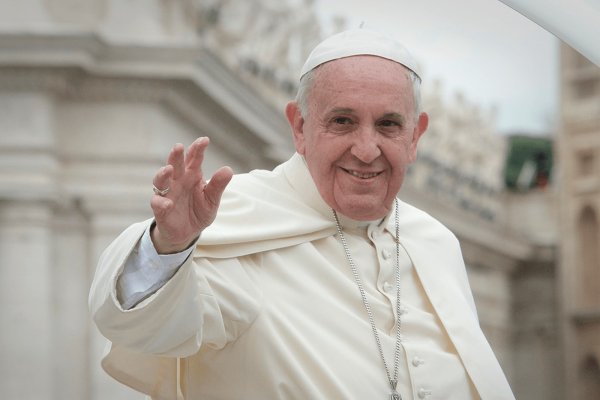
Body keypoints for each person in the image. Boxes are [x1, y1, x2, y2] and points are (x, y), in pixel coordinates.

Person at [89, 29, 515, 400]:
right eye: (343, 121)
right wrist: (170, 246)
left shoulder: (436, 242)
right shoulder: (233, 220)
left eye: (388, 125)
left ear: (415, 136)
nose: (367, 150)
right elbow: (139, 325)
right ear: (298, 127)